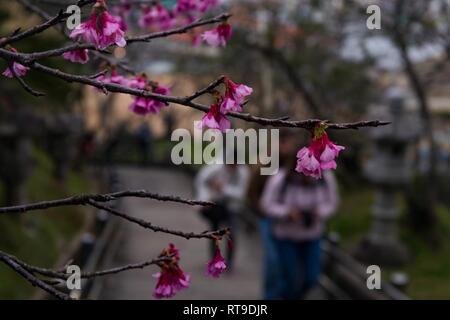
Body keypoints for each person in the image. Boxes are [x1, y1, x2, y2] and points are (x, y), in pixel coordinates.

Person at [260, 154, 338, 299]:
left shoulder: (325, 178)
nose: (309, 175)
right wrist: (287, 212)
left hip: (312, 236)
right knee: (288, 278)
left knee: (312, 277)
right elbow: (266, 204)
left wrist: (319, 212)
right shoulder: (281, 179)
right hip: (286, 236)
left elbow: (332, 204)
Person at [247, 129, 298, 299]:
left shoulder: (297, 164)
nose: (286, 146)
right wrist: (262, 210)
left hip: (290, 221)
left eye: (289, 141)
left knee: (288, 264)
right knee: (273, 262)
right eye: (283, 141)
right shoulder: (267, 164)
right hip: (268, 218)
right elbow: (252, 191)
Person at [195, 162, 250, 269]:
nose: (231, 167)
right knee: (214, 233)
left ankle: (229, 262)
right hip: (217, 206)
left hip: (232, 208)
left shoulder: (243, 172)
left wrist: (223, 189)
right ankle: (214, 260)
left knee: (231, 234)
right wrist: (204, 200)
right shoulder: (216, 168)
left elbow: (241, 194)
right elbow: (202, 181)